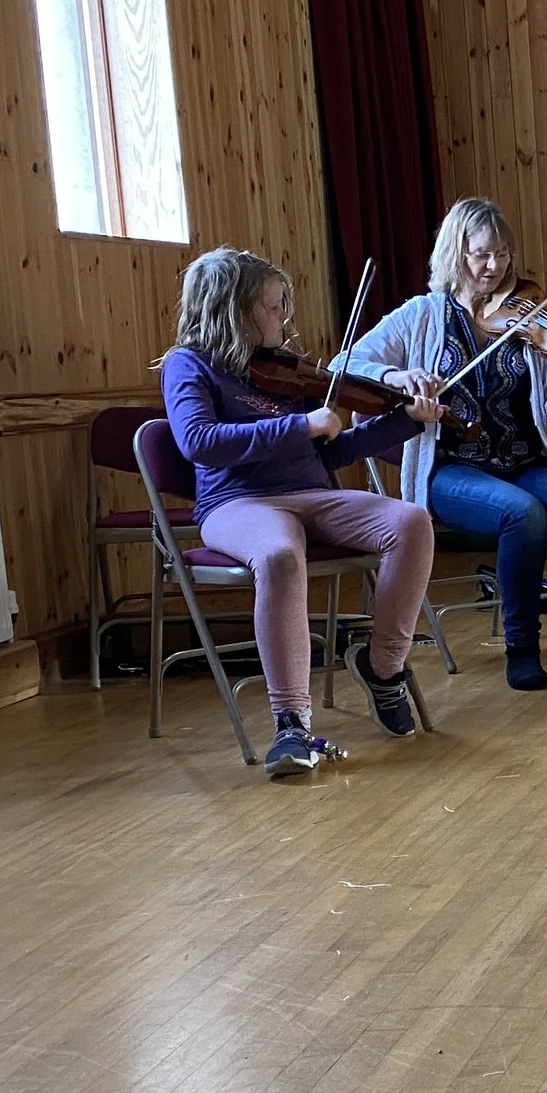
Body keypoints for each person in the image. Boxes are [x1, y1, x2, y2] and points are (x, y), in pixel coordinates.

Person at [159, 249, 439, 777]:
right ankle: (291, 723)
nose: (284, 319)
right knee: (280, 557)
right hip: (236, 503)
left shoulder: (281, 370)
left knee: (410, 521)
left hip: (314, 495)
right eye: (274, 306)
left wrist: (405, 421)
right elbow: (199, 441)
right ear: (236, 309)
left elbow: (328, 454)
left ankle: (382, 668)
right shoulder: (188, 365)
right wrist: (301, 427)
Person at [351, 197, 547, 692]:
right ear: (455, 255)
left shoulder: (531, 321)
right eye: (481, 255)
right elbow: (346, 365)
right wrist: (399, 374)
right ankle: (521, 648)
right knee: (521, 513)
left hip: (523, 460)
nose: (494, 267)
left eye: (502, 255)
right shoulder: (422, 315)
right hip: (449, 468)